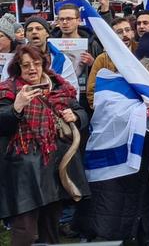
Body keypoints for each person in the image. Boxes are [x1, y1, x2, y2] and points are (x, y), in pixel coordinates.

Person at [0, 45, 89, 246]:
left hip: (53, 166)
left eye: (37, 64)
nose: (32, 69)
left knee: (50, 228)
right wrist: (17, 106)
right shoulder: (9, 89)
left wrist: (74, 116)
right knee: (25, 231)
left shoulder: (59, 87)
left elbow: (82, 113)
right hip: (21, 169)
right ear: (18, 68)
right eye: (26, 65)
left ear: (44, 65)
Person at [87, 16, 149, 108]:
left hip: (145, 107)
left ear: (133, 33)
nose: (124, 34)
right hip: (115, 110)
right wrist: (102, 109)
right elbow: (92, 90)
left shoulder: (145, 51)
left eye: (127, 30)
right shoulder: (103, 59)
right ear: (112, 36)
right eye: (119, 32)